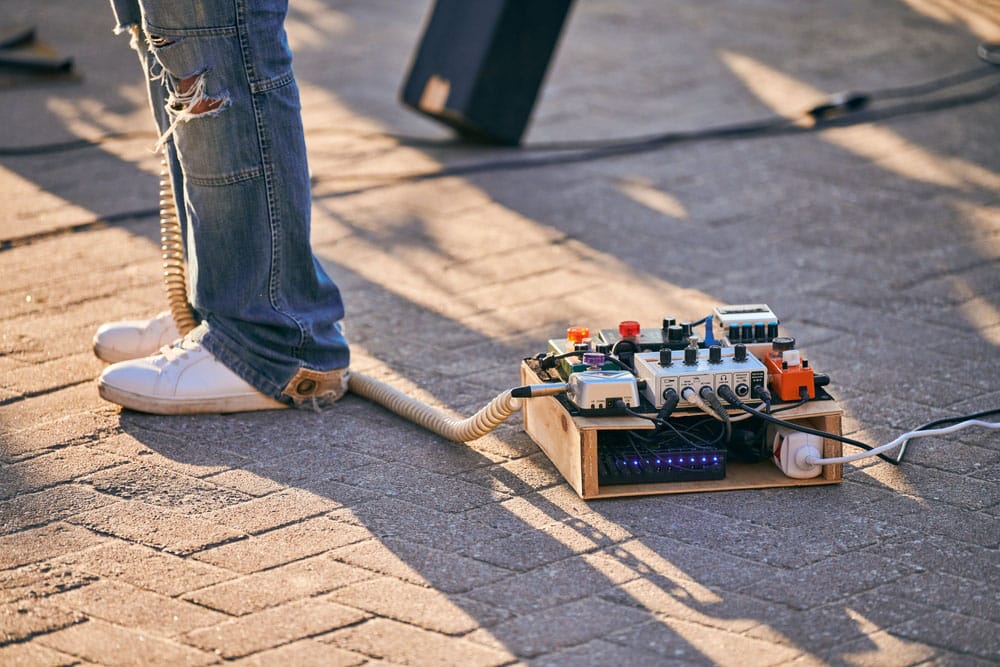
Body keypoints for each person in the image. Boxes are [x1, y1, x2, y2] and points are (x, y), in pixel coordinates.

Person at [95, 0, 350, 414]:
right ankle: (220, 305)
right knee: (167, 31)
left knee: (218, 34)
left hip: (274, 351)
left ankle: (270, 340)